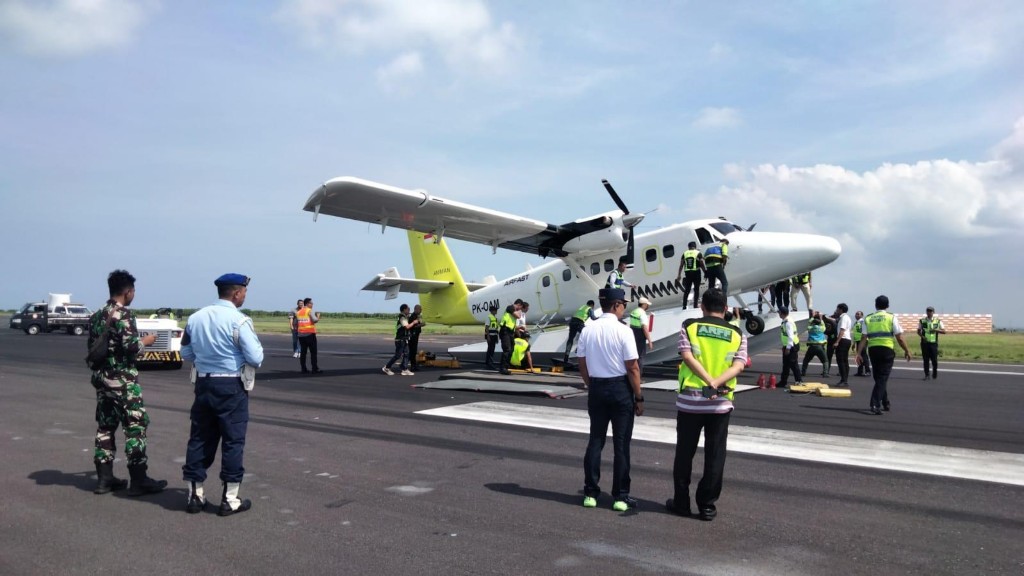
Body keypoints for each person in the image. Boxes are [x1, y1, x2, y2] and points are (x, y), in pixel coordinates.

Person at [180, 273, 264, 516]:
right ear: (236, 293)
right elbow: (256, 358)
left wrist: (207, 360)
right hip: (231, 386)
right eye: (244, 292)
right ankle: (230, 499)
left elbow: (186, 353)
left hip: (204, 384)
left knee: (199, 438)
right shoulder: (240, 320)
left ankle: (194, 495)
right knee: (233, 441)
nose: (245, 296)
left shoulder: (195, 318)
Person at [666, 288, 747, 521]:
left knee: (684, 453)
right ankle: (707, 506)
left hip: (691, 401)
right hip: (720, 402)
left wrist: (707, 380)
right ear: (726, 308)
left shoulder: (690, 326)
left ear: (702, 306)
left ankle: (681, 503)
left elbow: (687, 356)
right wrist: (716, 383)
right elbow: (739, 365)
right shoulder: (737, 334)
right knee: (715, 454)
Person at [87, 269, 166, 497]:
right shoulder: (123, 314)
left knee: (105, 426)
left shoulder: (97, 315)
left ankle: (104, 478)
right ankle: (139, 479)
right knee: (135, 426)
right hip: (122, 380)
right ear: (128, 291)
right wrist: (146, 341)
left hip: (102, 379)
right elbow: (131, 347)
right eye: (133, 291)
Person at [578, 287, 643, 512]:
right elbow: (632, 367)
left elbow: (582, 363)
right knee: (621, 445)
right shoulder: (624, 330)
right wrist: (639, 396)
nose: (624, 308)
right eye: (623, 304)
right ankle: (620, 497)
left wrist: (591, 384)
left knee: (595, 441)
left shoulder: (588, 329)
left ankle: (590, 493)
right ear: (616, 305)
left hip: (596, 387)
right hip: (620, 389)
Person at [857, 295, 912, 415]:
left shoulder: (868, 318)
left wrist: (859, 353)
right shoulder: (891, 317)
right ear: (888, 305)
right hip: (886, 349)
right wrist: (907, 350)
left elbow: (863, 337)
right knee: (882, 378)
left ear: (875, 305)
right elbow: (899, 337)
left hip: (873, 350)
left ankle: (885, 402)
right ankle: (875, 404)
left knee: (879, 378)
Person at [382, 303, 418, 376]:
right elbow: (407, 327)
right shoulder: (402, 317)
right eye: (408, 309)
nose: (409, 310)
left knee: (407, 354)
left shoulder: (404, 317)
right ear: (404, 309)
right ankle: (387, 367)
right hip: (400, 339)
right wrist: (414, 322)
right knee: (398, 355)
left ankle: (404, 369)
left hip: (404, 339)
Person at [628, 297, 654, 379]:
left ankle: (632, 376)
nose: (648, 306)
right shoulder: (642, 314)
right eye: (647, 305)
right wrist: (649, 341)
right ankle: (638, 378)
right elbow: (644, 328)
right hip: (640, 336)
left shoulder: (634, 311)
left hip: (632, 335)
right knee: (640, 357)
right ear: (644, 305)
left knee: (633, 356)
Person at [917, 306, 946, 380]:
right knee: (926, 360)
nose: (929, 312)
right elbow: (918, 331)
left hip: (933, 343)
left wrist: (936, 330)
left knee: (934, 360)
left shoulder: (938, 321)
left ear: (933, 312)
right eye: (928, 311)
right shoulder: (922, 321)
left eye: (930, 311)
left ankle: (934, 372)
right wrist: (922, 337)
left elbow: (944, 331)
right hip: (925, 343)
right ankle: (927, 375)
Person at [564, 300, 596, 364]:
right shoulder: (589, 308)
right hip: (579, 323)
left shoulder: (582, 307)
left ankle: (566, 357)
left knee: (570, 339)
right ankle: (578, 349)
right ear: (592, 305)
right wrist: (601, 318)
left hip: (572, 322)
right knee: (586, 335)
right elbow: (593, 318)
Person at [675, 241, 705, 309]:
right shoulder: (698, 253)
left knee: (687, 290)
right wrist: (705, 272)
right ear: (695, 246)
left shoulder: (684, 253)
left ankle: (684, 306)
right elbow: (701, 263)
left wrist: (679, 275)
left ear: (688, 247)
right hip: (696, 272)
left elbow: (681, 265)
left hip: (688, 273)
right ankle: (695, 305)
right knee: (696, 289)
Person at [778, 306, 803, 388]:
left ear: (782, 313)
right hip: (788, 345)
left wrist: (788, 348)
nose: (779, 314)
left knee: (793, 364)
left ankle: (799, 381)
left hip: (792, 345)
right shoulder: (785, 321)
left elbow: (790, 336)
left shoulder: (788, 322)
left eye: (779, 312)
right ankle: (783, 382)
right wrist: (785, 346)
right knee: (786, 364)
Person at [295, 298, 321, 374]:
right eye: (311, 303)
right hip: (309, 334)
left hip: (301, 335)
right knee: (313, 352)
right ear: (307, 304)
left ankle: (303, 368)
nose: (312, 304)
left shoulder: (299, 312)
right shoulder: (309, 311)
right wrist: (318, 316)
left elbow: (296, 323)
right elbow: (315, 320)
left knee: (303, 352)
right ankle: (314, 368)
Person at [801, 310, 828, 377]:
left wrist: (812, 317)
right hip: (820, 347)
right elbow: (823, 324)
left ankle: (803, 372)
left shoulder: (810, 328)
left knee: (806, 360)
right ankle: (825, 373)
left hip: (812, 347)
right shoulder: (822, 328)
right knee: (825, 361)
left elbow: (809, 323)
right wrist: (821, 318)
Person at [834, 303, 853, 387]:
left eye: (837, 309)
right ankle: (844, 380)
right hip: (846, 340)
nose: (836, 310)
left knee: (841, 360)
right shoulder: (845, 317)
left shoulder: (844, 318)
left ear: (841, 310)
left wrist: (837, 341)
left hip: (843, 340)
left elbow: (842, 330)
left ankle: (844, 380)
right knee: (844, 360)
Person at [498, 304, 517, 375]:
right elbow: (518, 316)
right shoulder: (510, 308)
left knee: (511, 349)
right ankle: (502, 368)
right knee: (507, 349)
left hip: (510, 332)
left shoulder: (513, 312)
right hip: (505, 330)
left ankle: (506, 366)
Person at [853, 311, 872, 377]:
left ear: (862, 315)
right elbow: (855, 333)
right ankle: (860, 371)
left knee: (864, 356)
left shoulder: (862, 322)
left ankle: (868, 371)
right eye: (856, 314)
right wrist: (854, 343)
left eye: (858, 314)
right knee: (859, 356)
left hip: (862, 341)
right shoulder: (856, 323)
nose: (856, 315)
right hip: (857, 340)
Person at [408, 304, 424, 371]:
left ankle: (413, 365)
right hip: (413, 335)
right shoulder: (413, 316)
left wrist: (421, 324)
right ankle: (412, 366)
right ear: (416, 309)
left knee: (413, 351)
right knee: (412, 351)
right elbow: (413, 326)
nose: (421, 310)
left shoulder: (417, 316)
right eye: (420, 309)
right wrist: (421, 325)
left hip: (416, 335)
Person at [484, 305, 500, 370]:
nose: (496, 311)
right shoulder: (489, 317)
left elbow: (495, 328)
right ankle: (489, 363)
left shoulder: (494, 318)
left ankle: (489, 362)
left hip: (494, 335)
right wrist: (488, 336)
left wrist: (497, 337)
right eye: (495, 310)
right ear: (492, 311)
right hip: (490, 336)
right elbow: (487, 327)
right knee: (490, 349)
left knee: (492, 349)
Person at [823, 311, 838, 376]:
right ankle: (827, 370)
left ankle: (840, 371)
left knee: (838, 357)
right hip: (831, 339)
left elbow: (831, 330)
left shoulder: (835, 320)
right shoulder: (830, 320)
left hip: (836, 339)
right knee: (829, 356)